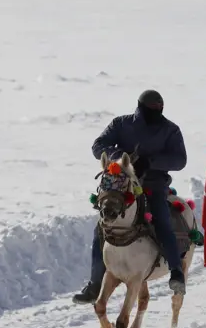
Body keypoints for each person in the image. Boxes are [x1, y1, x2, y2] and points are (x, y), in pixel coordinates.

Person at [72, 89, 188, 305]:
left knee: (162, 221)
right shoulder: (121, 124)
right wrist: (118, 157)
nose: (156, 113)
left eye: (159, 109)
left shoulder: (170, 130)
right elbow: (98, 145)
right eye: (151, 109)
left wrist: (151, 162)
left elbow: (180, 160)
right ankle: (95, 285)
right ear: (141, 107)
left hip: (154, 185)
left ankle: (176, 272)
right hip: (121, 186)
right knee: (101, 229)